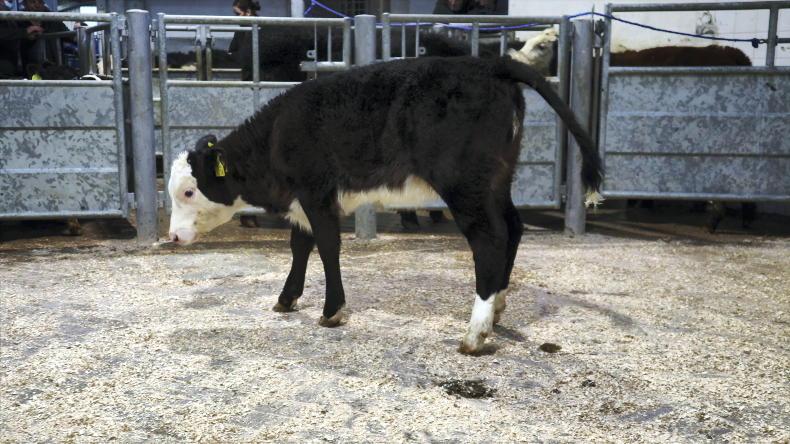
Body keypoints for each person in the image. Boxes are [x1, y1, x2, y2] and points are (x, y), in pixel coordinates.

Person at [229, 0, 262, 228]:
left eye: (238, 13)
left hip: (253, 89)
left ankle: (249, 210)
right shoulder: (267, 27)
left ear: (247, 11)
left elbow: (237, 56)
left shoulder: (248, 31)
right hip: (263, 89)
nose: (237, 17)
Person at [0, 1, 43, 78]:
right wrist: (24, 32)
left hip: (11, 66)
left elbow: (13, 36)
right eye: (33, 2)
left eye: (40, 2)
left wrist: (28, 36)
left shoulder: (7, 10)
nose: (37, 5)